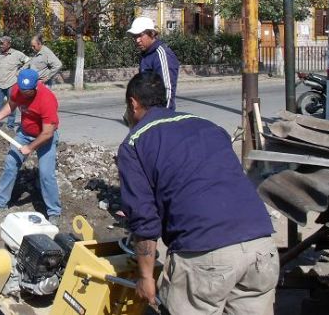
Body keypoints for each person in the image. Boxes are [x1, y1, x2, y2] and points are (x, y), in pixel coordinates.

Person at [117, 72, 278, 313]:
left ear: (133, 104)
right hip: (261, 246)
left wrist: (146, 276)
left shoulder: (134, 143)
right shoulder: (208, 126)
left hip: (207, 255)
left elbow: (143, 219)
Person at [0, 69, 62, 226]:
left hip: (45, 137)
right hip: (25, 133)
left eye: (28, 92)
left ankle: (54, 212)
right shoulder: (18, 90)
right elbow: (11, 105)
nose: (24, 94)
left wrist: (30, 147)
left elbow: (48, 132)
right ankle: (0, 202)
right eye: (22, 90)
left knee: (46, 174)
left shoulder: (47, 99)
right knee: (10, 164)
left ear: (35, 87)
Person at [127, 17, 180, 111]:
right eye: (135, 36)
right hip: (146, 113)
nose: (137, 40)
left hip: (159, 115)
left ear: (151, 34)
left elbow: (167, 91)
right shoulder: (146, 54)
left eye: (140, 35)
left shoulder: (162, 55)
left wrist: (162, 117)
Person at [0, 36, 28, 130]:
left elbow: (28, 62)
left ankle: (10, 126)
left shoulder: (17, 54)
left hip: (12, 84)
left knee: (12, 105)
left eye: (3, 43)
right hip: (0, 84)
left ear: (9, 44)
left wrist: (20, 71)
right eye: (0, 43)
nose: (0, 45)